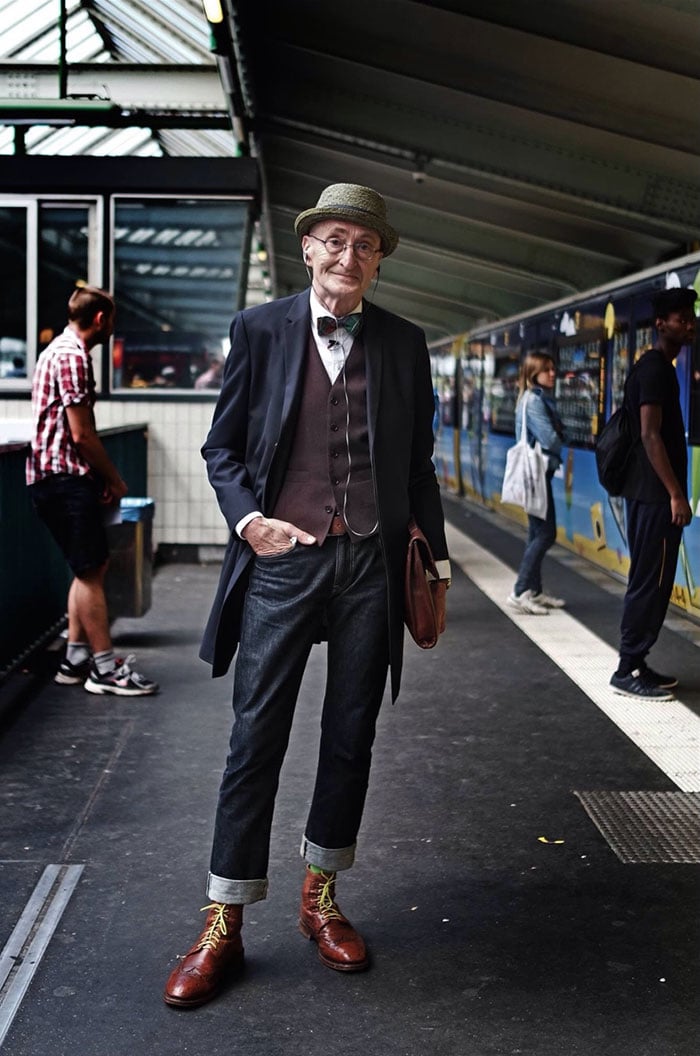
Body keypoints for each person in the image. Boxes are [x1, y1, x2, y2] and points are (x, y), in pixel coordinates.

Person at [163, 183, 450, 1009]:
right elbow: (223, 449)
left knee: (351, 733)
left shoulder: (404, 341)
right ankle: (223, 917)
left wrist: (427, 562)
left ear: (380, 258)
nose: (348, 256)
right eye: (334, 240)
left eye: (365, 245)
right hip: (283, 559)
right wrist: (249, 521)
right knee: (256, 736)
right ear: (308, 248)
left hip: (369, 561)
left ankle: (320, 896)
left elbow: (418, 464)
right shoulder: (259, 329)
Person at [26, 285, 158, 697]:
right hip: (63, 478)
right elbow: (82, 434)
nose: (112, 329)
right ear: (100, 319)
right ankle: (104, 668)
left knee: (89, 569)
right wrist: (114, 478)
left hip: (55, 477)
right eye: (112, 321)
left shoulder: (56, 351)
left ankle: (75, 658)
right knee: (90, 570)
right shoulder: (73, 358)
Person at [609, 287, 695, 701]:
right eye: (682, 317)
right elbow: (649, 434)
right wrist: (677, 494)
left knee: (653, 580)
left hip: (650, 496)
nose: (690, 323)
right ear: (661, 324)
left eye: (691, 316)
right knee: (650, 581)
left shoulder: (655, 365)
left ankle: (638, 660)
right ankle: (627, 668)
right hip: (655, 497)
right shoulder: (656, 369)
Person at [507, 353, 566, 615]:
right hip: (537, 474)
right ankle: (520, 591)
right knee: (546, 533)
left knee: (536, 532)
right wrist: (559, 439)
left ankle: (535, 590)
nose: (553, 373)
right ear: (534, 373)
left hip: (538, 473)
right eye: (547, 369)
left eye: (553, 369)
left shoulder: (533, 398)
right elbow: (550, 439)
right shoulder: (533, 401)